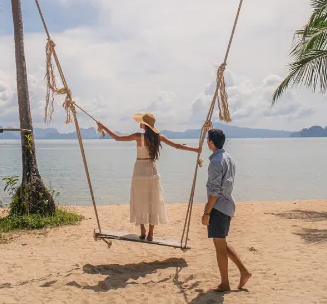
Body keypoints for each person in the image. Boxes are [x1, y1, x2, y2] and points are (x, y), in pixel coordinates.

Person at [97, 113, 199, 242]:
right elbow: (176, 146)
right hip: (152, 170)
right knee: (153, 200)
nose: (139, 123)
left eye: (141, 121)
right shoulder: (158, 137)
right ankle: (150, 233)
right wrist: (196, 150)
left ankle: (142, 230)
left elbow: (117, 138)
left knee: (139, 199)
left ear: (144, 124)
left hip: (139, 169)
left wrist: (103, 126)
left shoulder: (138, 136)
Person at [203, 128, 252, 292]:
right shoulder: (228, 158)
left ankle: (225, 283)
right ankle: (244, 271)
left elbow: (214, 192)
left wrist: (206, 212)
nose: (206, 142)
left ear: (211, 142)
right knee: (221, 242)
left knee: (219, 247)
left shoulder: (216, 162)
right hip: (228, 205)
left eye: (207, 139)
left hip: (218, 207)